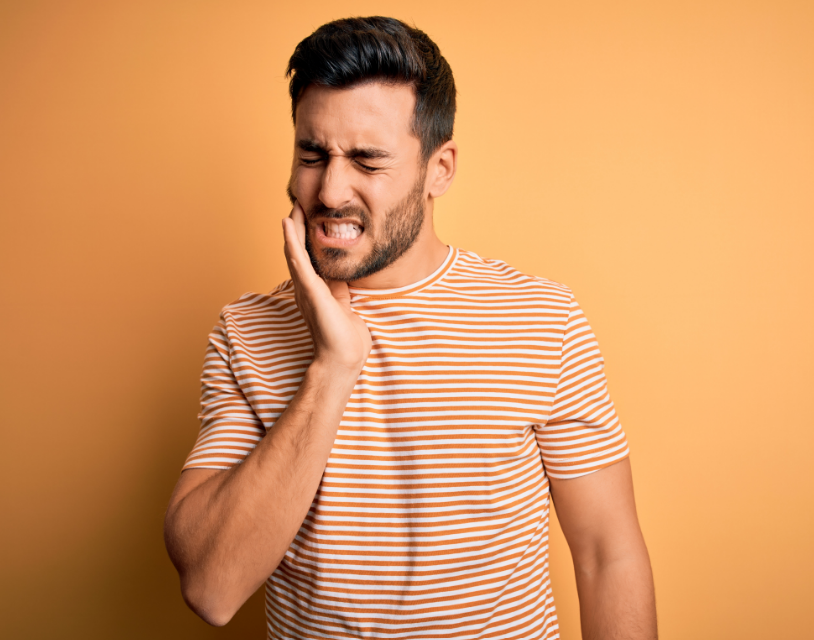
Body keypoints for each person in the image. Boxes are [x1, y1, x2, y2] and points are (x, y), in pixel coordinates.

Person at [164, 16, 657, 640]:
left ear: (439, 169)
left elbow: (607, 555)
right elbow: (211, 585)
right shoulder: (247, 331)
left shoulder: (542, 320)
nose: (331, 189)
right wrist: (332, 367)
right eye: (313, 155)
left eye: (368, 161)